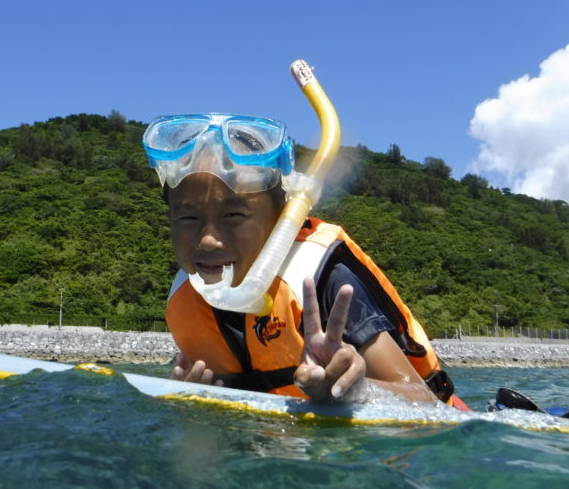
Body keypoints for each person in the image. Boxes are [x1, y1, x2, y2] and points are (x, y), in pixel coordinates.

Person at [143, 113, 469, 410]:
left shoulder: (322, 280)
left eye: (233, 215)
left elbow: (423, 399)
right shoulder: (188, 297)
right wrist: (197, 401)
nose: (208, 239)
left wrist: (351, 390)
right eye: (187, 217)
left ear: (280, 219)